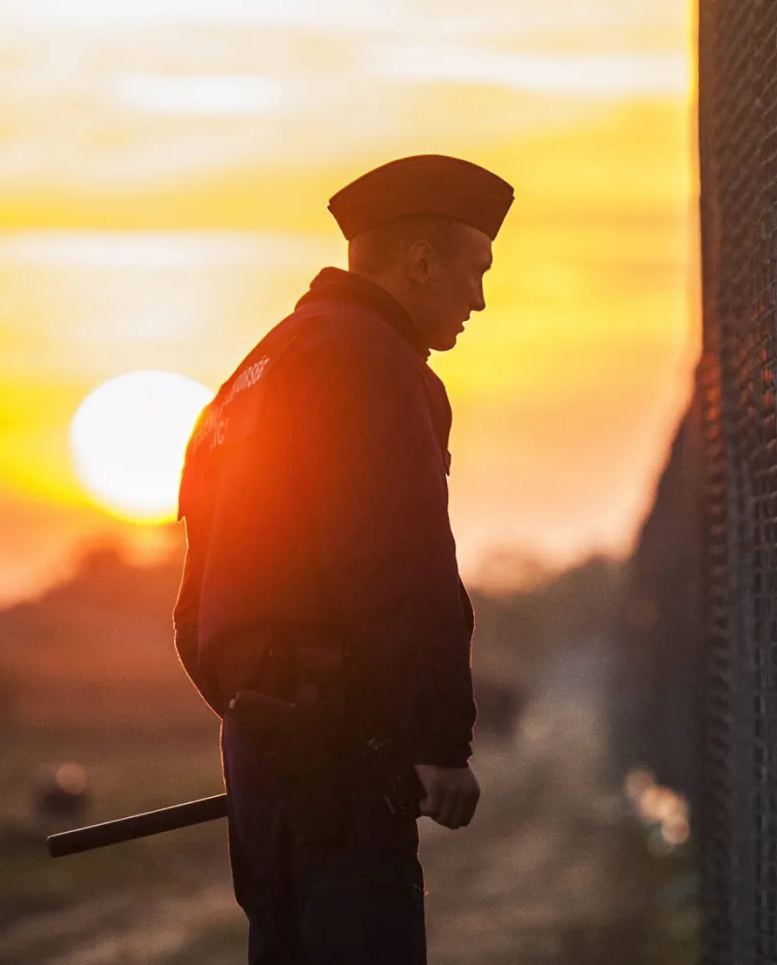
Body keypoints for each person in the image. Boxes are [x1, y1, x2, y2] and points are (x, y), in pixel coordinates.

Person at [171, 154, 513, 964]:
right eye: (475, 270)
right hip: (343, 750)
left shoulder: (249, 375)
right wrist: (437, 741)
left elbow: (195, 608)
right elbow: (399, 559)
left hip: (262, 757)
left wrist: (258, 715)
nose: (480, 298)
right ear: (421, 261)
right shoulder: (373, 364)